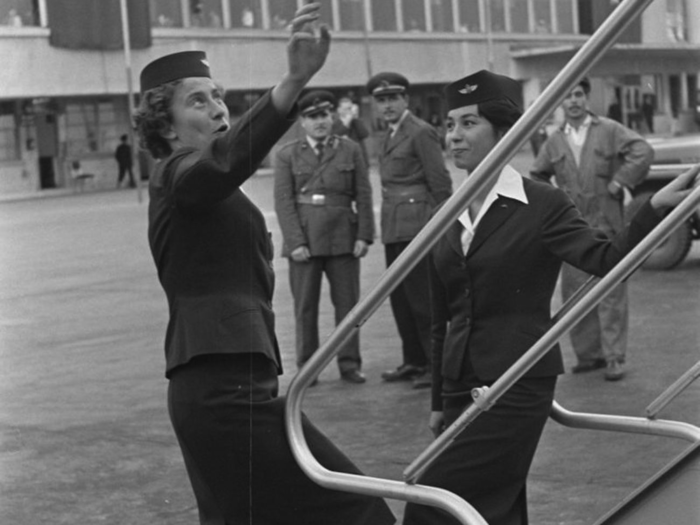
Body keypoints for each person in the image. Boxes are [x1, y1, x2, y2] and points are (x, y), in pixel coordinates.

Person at [134, 5, 395, 525]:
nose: (217, 109)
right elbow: (224, 162)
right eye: (198, 100)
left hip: (232, 380)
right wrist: (294, 80)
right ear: (164, 124)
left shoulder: (203, 182)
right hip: (219, 390)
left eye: (218, 97)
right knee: (358, 509)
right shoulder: (177, 175)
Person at [402, 69, 698, 525]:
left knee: (435, 502)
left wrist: (650, 212)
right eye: (449, 124)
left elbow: (603, 259)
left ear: (504, 133)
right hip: (463, 383)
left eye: (468, 124)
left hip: (517, 380)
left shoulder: (541, 204)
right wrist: (440, 401)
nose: (453, 137)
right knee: (494, 507)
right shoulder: (448, 211)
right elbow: (443, 318)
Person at [531, 77, 653, 381]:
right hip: (571, 228)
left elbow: (643, 151)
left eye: (577, 95)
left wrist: (620, 180)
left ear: (587, 98)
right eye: (567, 97)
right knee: (575, 295)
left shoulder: (609, 130)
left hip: (607, 224)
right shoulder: (554, 140)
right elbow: (537, 175)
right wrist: (551, 203)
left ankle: (614, 357)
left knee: (611, 293)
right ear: (560, 103)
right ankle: (589, 356)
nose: (572, 102)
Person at [274, 90, 375, 385]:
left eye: (324, 115)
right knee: (305, 308)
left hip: (344, 237)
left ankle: (350, 364)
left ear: (332, 117)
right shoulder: (287, 154)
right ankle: (308, 367)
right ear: (302, 122)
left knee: (348, 306)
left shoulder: (350, 149)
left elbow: (364, 194)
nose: (320, 122)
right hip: (304, 240)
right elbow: (284, 202)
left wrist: (364, 235)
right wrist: (295, 243)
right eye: (312, 117)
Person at [367, 71, 452, 389]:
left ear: (406, 100)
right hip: (394, 226)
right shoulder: (388, 134)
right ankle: (414, 360)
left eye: (393, 98)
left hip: (419, 226)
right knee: (401, 299)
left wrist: (442, 229)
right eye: (381, 100)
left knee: (423, 300)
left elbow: (440, 183)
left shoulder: (420, 132)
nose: (387, 105)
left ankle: (435, 365)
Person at [331, 96, 370, 165]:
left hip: (359, 161)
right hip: (343, 162)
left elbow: (364, 134)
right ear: (339, 110)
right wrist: (347, 122)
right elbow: (336, 136)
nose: (349, 111)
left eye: (350, 108)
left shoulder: (356, 122)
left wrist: (355, 117)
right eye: (346, 109)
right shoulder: (334, 124)